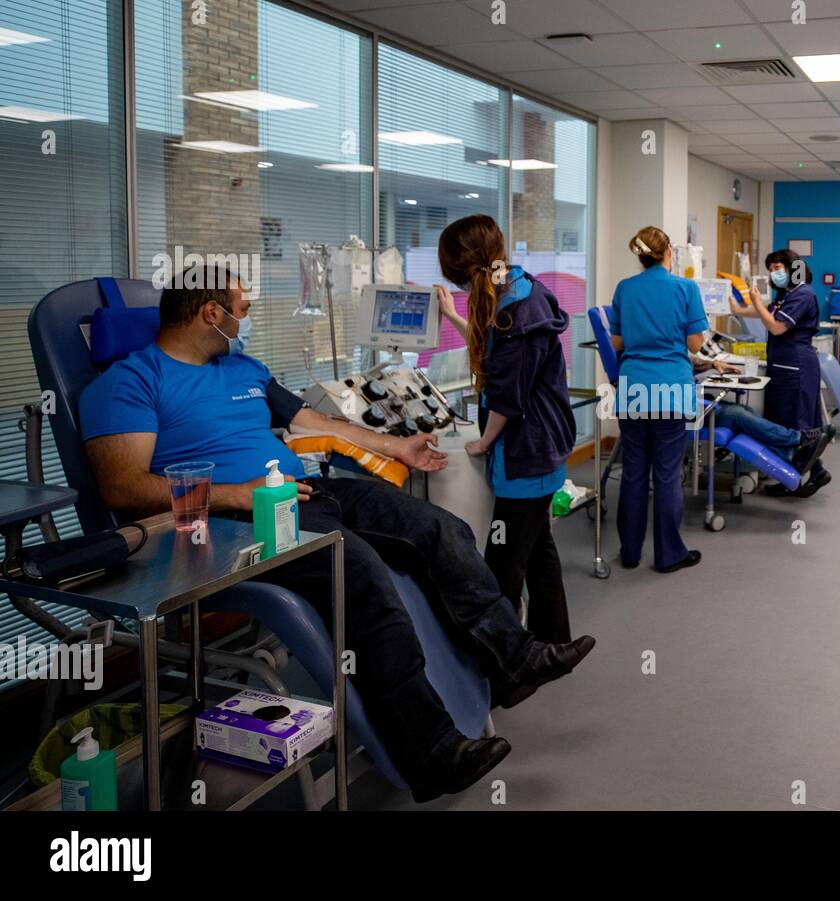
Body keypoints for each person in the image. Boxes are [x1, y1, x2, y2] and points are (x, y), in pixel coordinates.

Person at [78, 265, 596, 804]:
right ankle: (431, 751)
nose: (246, 318)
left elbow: (312, 420)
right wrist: (237, 493)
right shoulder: (128, 383)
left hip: (305, 492)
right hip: (235, 522)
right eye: (243, 308)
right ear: (212, 313)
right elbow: (124, 488)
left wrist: (396, 447)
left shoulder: (242, 367)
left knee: (440, 530)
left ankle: (512, 657)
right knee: (361, 571)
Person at [436, 214, 578, 644]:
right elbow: (493, 346)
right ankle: (552, 642)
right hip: (533, 447)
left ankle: (506, 660)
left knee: (503, 561)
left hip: (528, 451)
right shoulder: (512, 290)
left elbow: (508, 394)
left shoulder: (519, 306)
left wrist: (483, 441)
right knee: (539, 552)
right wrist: (451, 316)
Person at [609, 226, 706, 573]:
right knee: (666, 474)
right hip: (671, 388)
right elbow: (695, 344)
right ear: (668, 252)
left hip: (634, 388)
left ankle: (631, 553)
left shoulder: (624, 288)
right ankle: (668, 555)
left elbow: (617, 343)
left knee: (634, 472)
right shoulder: (685, 288)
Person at [728, 249, 831, 498]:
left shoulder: (803, 294)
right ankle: (809, 473)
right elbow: (767, 311)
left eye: (778, 268)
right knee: (786, 421)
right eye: (771, 269)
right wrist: (738, 309)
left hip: (796, 366)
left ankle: (799, 476)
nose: (775, 273)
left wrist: (753, 303)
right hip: (784, 364)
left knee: (797, 422)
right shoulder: (787, 294)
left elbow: (775, 326)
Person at [692, 355, 834, 474]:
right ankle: (799, 438)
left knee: (746, 411)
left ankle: (789, 454)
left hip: (696, 402)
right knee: (738, 414)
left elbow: (691, 360)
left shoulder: (674, 349)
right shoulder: (671, 353)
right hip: (686, 413)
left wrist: (713, 363)